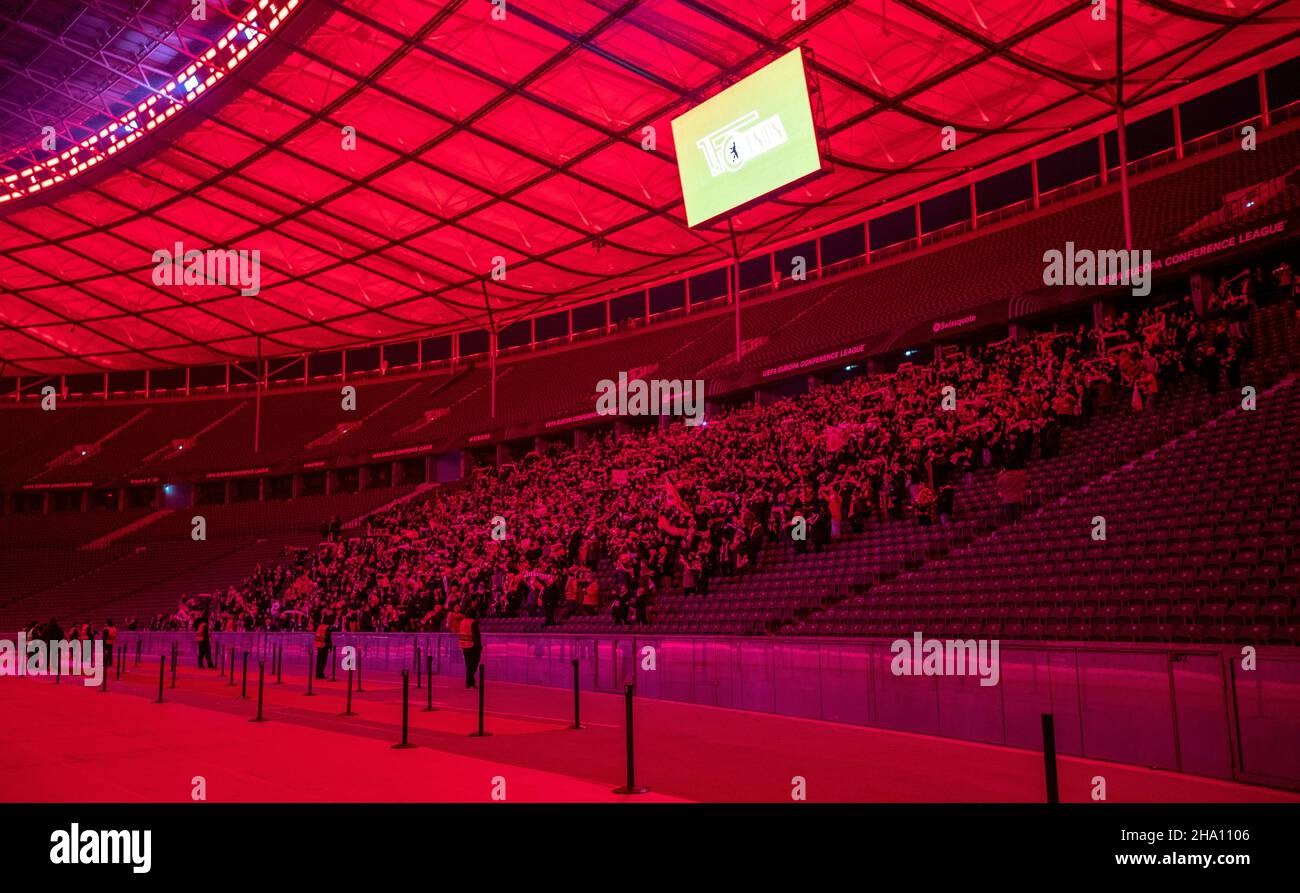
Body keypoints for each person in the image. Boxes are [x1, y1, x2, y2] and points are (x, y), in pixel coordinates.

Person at [458, 607, 482, 688]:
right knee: (473, 665)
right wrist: (479, 646)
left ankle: (470, 682)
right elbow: (476, 635)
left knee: (468, 664)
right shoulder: (473, 622)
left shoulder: (463, 621)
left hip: (464, 645)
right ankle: (469, 682)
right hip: (473, 645)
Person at [314, 615, 332, 679]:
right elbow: (328, 638)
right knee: (323, 661)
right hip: (324, 646)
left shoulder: (320, 626)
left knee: (319, 660)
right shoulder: (327, 627)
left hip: (318, 645)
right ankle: (320, 674)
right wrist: (330, 647)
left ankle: (317, 673)